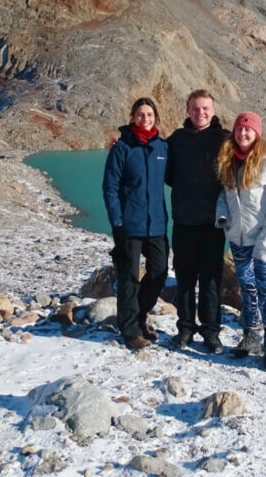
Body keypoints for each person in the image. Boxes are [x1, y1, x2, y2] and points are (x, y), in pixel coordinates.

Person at [215, 111, 266, 371]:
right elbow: (224, 195)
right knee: (246, 285)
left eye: (248, 129)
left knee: (265, 287)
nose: (243, 133)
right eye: (239, 129)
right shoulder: (228, 160)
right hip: (238, 237)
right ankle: (250, 336)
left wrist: (265, 244)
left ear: (257, 133)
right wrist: (223, 217)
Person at [102, 97, 169, 350]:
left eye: (149, 115)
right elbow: (110, 187)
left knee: (160, 271)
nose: (145, 119)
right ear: (132, 117)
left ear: (156, 118)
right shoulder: (122, 148)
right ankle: (130, 331)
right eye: (140, 114)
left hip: (157, 224)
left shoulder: (163, 148)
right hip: (129, 224)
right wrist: (117, 222)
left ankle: (138, 316)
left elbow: (184, 172)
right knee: (128, 276)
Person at [165, 90, 228, 353]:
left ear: (213, 111)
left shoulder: (225, 139)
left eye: (205, 108)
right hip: (184, 222)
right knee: (185, 279)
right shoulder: (177, 140)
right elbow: (162, 168)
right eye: (195, 108)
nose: (200, 113)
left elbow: (251, 153)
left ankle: (211, 332)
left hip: (213, 224)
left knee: (212, 281)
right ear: (187, 111)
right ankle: (185, 329)